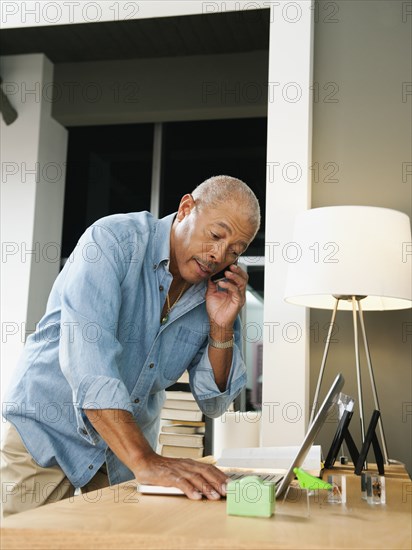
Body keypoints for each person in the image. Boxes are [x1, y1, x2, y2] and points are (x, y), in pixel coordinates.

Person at [1, 175, 260, 517]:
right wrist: (146, 460)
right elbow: (90, 368)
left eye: (234, 251)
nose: (218, 255)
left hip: (121, 452)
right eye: (215, 235)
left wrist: (221, 326)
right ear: (186, 209)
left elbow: (214, 402)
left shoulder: (217, 292)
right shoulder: (111, 242)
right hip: (48, 432)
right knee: (27, 541)